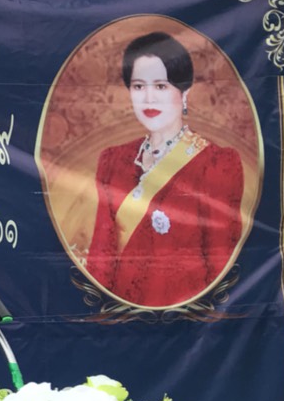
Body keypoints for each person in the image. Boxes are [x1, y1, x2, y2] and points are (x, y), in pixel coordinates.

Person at [85, 31, 244, 307]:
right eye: (138, 86)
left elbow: (221, 265)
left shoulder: (217, 164)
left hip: (189, 319)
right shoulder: (113, 161)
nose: (149, 99)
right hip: (121, 317)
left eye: (161, 86)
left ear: (184, 92)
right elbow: (101, 258)